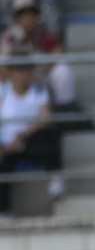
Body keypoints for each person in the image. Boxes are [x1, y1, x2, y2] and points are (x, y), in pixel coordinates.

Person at [0, 45, 58, 214]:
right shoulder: (3, 92)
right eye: (19, 70)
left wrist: (22, 136)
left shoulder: (38, 90)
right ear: (10, 72)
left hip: (27, 143)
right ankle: (4, 212)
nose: (24, 74)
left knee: (49, 134)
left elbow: (45, 117)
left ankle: (56, 179)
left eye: (27, 69)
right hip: (6, 147)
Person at [0, 0, 75, 109]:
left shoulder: (44, 33)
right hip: (17, 79)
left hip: (40, 73)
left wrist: (39, 72)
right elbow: (2, 69)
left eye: (32, 12)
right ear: (17, 17)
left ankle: (65, 109)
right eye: (24, 13)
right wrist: (22, 76)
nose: (29, 17)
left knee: (62, 71)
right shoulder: (9, 37)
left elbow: (58, 52)